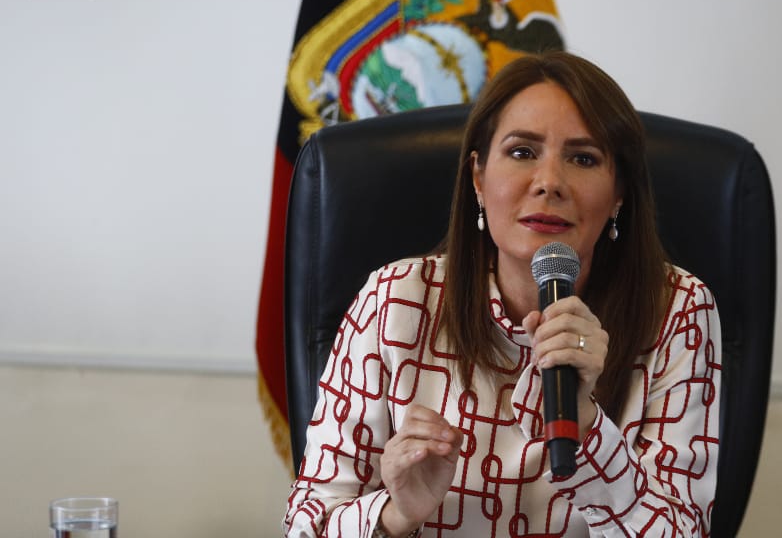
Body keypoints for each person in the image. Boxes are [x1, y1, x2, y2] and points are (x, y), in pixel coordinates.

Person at [283, 51, 721, 538]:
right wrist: (396, 515)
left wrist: (588, 430)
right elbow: (307, 525)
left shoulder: (677, 310)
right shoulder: (395, 301)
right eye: (522, 152)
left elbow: (682, 530)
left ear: (619, 192)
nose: (550, 183)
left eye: (583, 158)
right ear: (478, 177)